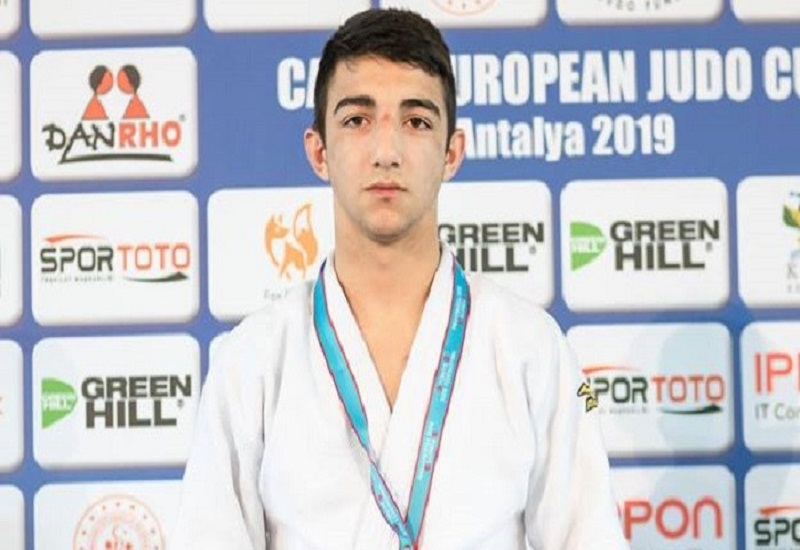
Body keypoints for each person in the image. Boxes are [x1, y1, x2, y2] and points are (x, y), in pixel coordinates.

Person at [171, 8, 629, 550]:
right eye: (357, 120)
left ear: (452, 153)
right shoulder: (253, 359)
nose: (386, 153)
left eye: (416, 122)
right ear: (318, 151)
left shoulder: (530, 346)